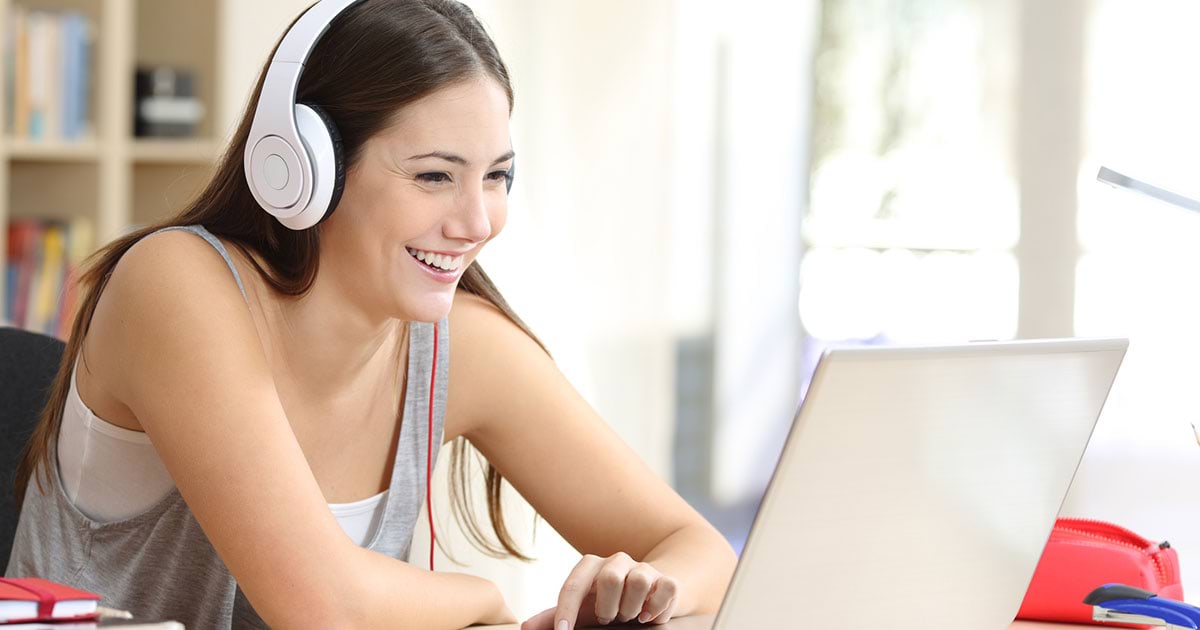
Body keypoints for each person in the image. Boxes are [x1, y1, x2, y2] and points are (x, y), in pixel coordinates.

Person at [5, 0, 737, 628]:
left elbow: (699, 549)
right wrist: (485, 601)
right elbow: (322, 606)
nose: (477, 220)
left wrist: (641, 592)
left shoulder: (457, 347)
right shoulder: (177, 285)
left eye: (497, 177)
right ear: (301, 167)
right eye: (434, 176)